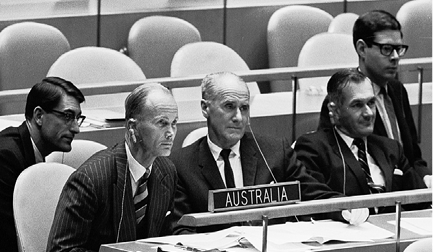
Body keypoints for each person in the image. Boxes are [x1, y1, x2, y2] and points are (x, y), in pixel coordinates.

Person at [166, 72, 366, 235]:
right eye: (229, 106)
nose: (238, 117)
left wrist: (346, 208)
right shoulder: (181, 164)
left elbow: (314, 194)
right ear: (204, 108)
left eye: (244, 108)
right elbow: (180, 229)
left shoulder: (274, 151)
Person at [0, 77, 85, 252]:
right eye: (67, 116)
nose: (76, 128)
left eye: (77, 118)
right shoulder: (2, 157)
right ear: (39, 116)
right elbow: (19, 235)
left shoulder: (28, 150)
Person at [47, 83, 179, 252]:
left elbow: (167, 238)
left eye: (174, 123)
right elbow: (61, 250)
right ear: (133, 127)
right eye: (162, 123)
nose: (171, 133)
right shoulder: (91, 179)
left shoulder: (166, 171)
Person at [317, 10, 433, 186]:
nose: (395, 57)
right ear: (362, 49)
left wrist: (426, 177)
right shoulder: (342, 98)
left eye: (398, 49)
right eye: (387, 49)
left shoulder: (397, 89)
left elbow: (414, 156)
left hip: (409, 190)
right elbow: (337, 166)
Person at [296, 69, 428, 214]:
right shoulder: (314, 148)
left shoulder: (391, 148)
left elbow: (421, 200)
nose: (369, 113)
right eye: (357, 105)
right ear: (335, 110)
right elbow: (315, 198)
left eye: (371, 103)